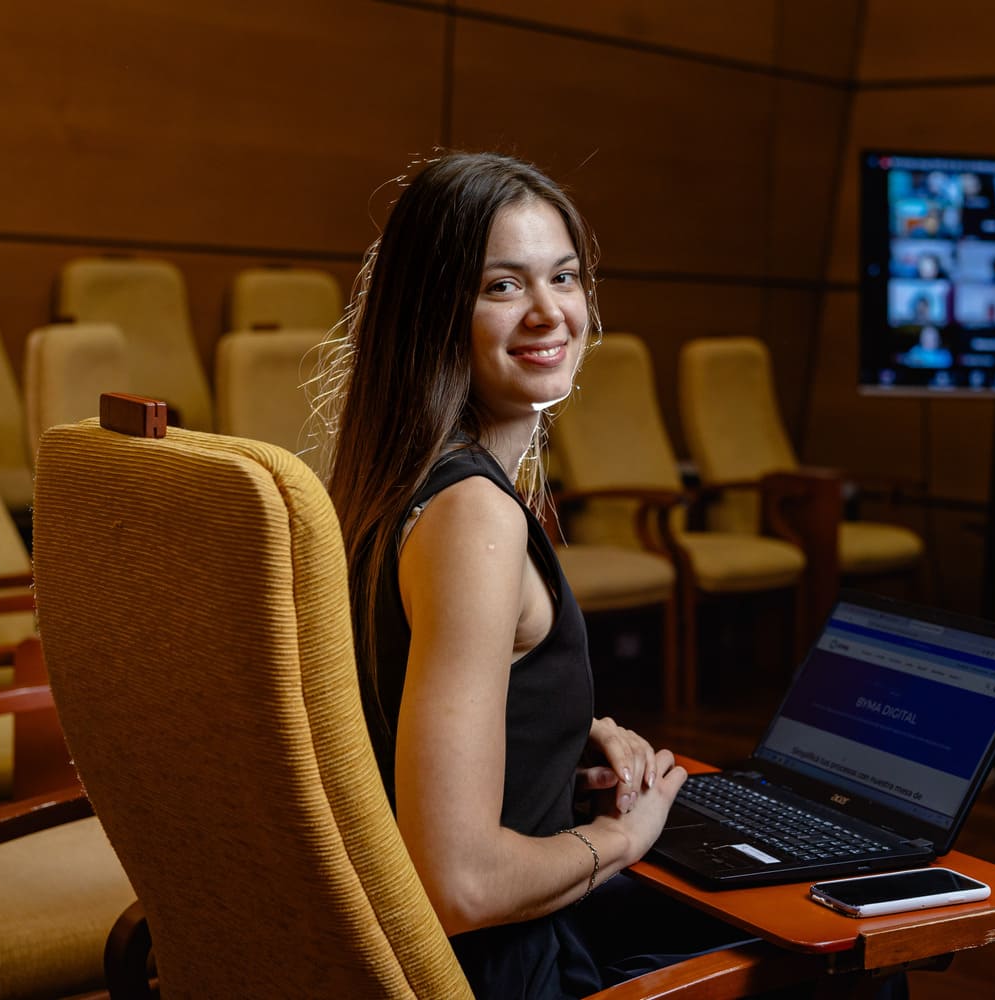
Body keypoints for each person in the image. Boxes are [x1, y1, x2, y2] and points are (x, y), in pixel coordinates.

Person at [317, 152, 752, 999]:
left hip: (445, 951)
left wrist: (561, 739)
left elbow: (396, 712)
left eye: (565, 276)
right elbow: (461, 885)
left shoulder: (389, 484)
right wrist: (630, 836)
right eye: (502, 287)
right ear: (433, 314)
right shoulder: (471, 517)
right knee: (852, 950)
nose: (551, 312)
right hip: (504, 970)